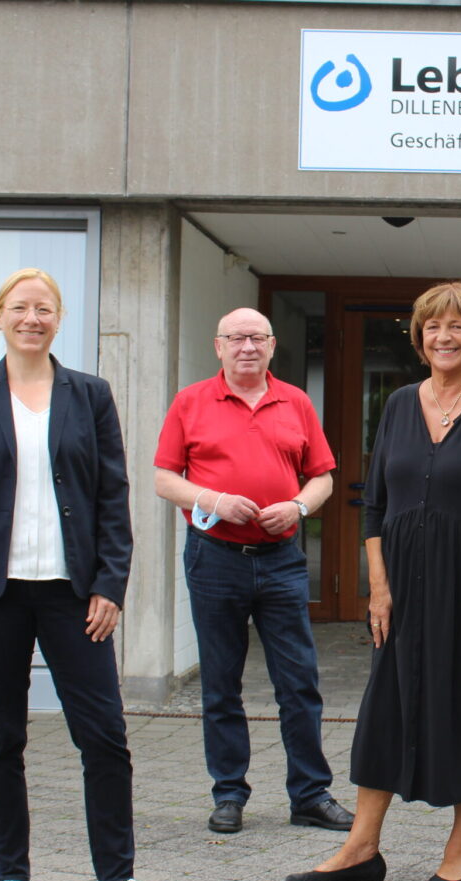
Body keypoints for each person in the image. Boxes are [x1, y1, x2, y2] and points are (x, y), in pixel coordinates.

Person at [286, 282, 461, 881]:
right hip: (403, 587)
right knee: (386, 708)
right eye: (432, 326)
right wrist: (378, 587)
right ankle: (361, 848)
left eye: (457, 326)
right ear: (419, 337)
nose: (443, 337)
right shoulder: (401, 403)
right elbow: (375, 504)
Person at [0, 267, 157, 881]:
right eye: (21, 307)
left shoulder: (89, 394)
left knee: (105, 738)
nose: (32, 318)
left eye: (45, 308)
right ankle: (10, 880)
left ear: (58, 319)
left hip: (73, 596)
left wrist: (110, 583)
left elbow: (112, 496)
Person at [154, 308, 352, 836]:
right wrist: (213, 499)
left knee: (300, 683)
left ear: (272, 346)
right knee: (221, 683)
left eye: (257, 338)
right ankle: (228, 794)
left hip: (282, 559)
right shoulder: (190, 401)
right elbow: (164, 479)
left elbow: (323, 478)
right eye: (237, 338)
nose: (247, 347)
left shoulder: (296, 402)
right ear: (218, 346)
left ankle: (310, 795)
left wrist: (298, 508)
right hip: (215, 556)